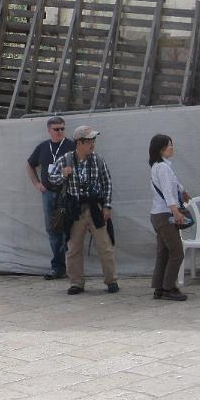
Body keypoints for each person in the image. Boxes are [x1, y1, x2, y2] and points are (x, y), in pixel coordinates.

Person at [47, 125, 118, 295]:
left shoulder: (98, 160)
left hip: (94, 208)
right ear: (79, 142)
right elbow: (51, 179)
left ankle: (111, 280)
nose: (92, 144)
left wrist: (107, 206)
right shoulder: (66, 159)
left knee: (105, 246)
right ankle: (76, 282)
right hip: (74, 208)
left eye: (93, 140)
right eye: (89, 141)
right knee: (73, 247)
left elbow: (107, 183)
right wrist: (64, 174)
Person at [26, 116, 75, 279]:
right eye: (56, 129)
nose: (60, 132)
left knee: (70, 229)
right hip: (48, 193)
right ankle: (58, 266)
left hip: (67, 193)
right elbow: (30, 164)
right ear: (49, 130)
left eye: (62, 129)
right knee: (52, 229)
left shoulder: (71, 145)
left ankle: (72, 266)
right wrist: (37, 183)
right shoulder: (42, 147)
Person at [149, 135, 191, 302]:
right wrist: (176, 212)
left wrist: (183, 190)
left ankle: (159, 288)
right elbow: (167, 192)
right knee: (177, 253)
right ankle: (169, 288)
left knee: (163, 253)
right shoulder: (164, 168)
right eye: (169, 146)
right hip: (165, 215)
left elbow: (171, 184)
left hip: (158, 214)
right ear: (161, 149)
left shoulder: (158, 166)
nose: (172, 148)